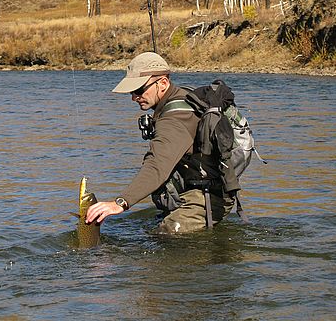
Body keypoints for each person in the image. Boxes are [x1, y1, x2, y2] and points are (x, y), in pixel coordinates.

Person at [85, 52, 235, 233]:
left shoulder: (175, 118)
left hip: (210, 196)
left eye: (139, 90)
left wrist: (121, 202)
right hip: (194, 188)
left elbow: (157, 166)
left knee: (166, 232)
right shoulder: (181, 96)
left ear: (163, 83)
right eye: (132, 91)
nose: (134, 97)